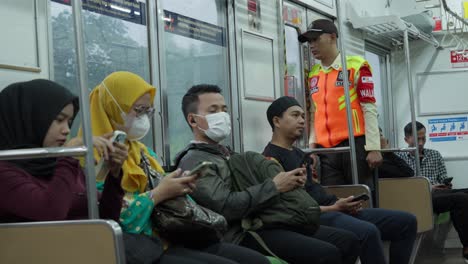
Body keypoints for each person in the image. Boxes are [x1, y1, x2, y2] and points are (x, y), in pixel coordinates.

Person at [86, 72, 270, 264]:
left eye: (148, 111)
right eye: (139, 110)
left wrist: (178, 186)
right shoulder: (92, 155)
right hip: (137, 245)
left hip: (168, 237)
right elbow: (112, 218)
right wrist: (160, 193)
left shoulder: (143, 152)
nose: (144, 119)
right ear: (112, 108)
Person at [176, 84, 361, 264]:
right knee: (326, 254)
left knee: (349, 241)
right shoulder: (195, 162)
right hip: (240, 232)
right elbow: (225, 207)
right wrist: (274, 186)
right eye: (213, 110)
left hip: (264, 219)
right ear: (193, 120)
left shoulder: (229, 154)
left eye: (224, 109)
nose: (222, 116)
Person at [262, 96, 417, 264]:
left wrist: (341, 202)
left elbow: (314, 189)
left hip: (334, 207)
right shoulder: (270, 159)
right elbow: (292, 208)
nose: (301, 121)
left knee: (406, 222)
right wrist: (333, 207)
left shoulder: (301, 155)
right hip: (316, 216)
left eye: (302, 116)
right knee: (368, 232)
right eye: (295, 115)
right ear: (277, 121)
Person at [0, 79, 127, 223]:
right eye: (59, 120)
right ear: (29, 118)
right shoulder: (4, 173)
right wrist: (69, 155)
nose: (66, 130)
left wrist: (114, 175)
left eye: (69, 122)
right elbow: (51, 213)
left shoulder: (60, 164)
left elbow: (106, 219)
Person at [298, 19, 382, 190]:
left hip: (355, 144)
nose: (312, 45)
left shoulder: (356, 66)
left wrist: (373, 147)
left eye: (316, 39)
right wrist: (312, 147)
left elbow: (369, 107)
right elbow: (315, 113)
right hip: (327, 150)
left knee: (361, 195)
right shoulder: (314, 74)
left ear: (333, 37)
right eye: (309, 41)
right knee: (333, 198)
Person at [397, 121, 468, 262]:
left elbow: (443, 177)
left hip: (438, 194)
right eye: (417, 139)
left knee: (465, 194)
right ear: (407, 139)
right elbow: (403, 187)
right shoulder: (400, 158)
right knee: (461, 199)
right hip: (418, 198)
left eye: (424, 138)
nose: (422, 142)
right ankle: (467, 246)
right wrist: (429, 187)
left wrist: (444, 184)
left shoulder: (435, 155)